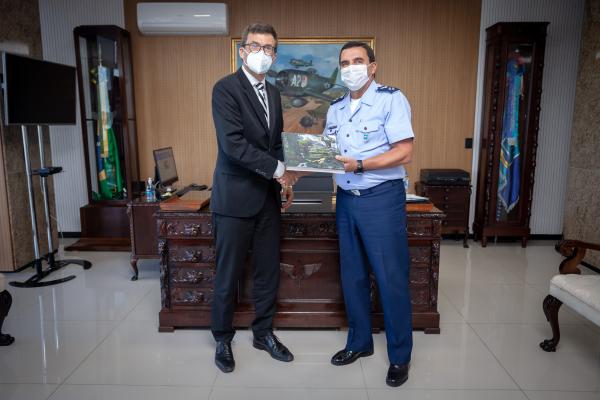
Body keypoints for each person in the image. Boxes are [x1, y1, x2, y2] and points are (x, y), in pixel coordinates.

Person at [210, 22, 298, 373]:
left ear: (275, 55)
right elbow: (233, 146)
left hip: (266, 199)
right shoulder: (225, 89)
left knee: (267, 271)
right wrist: (279, 170)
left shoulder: (274, 93)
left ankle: (263, 333)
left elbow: (275, 144)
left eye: (270, 49)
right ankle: (222, 337)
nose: (264, 53)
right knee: (227, 274)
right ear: (242, 50)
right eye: (257, 46)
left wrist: (285, 180)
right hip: (233, 199)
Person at [325, 41, 415, 387]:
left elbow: (404, 152)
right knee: (354, 276)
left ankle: (400, 357)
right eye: (345, 63)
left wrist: (361, 164)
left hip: (381, 198)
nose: (351, 68)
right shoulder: (335, 108)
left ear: (372, 66)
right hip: (346, 200)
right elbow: (326, 154)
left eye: (358, 61)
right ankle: (359, 342)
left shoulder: (392, 99)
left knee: (391, 279)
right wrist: (297, 171)